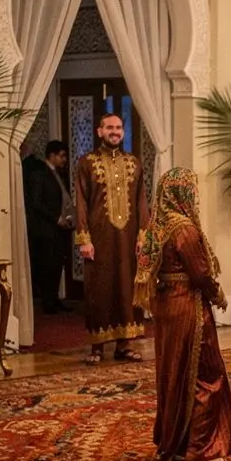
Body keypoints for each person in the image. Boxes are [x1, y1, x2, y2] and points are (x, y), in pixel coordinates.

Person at [134, 168, 231, 461]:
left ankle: (179, 445)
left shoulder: (157, 226)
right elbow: (201, 273)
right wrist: (217, 294)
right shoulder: (184, 229)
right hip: (189, 307)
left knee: (175, 374)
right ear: (183, 194)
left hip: (167, 305)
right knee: (206, 374)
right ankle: (201, 451)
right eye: (192, 190)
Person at [75, 112, 150, 365]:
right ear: (99, 131)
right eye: (109, 127)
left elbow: (142, 201)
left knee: (127, 287)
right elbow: (81, 203)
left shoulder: (134, 163)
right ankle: (97, 347)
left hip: (129, 240)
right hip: (99, 238)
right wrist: (84, 239)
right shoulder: (86, 162)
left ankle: (125, 345)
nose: (114, 131)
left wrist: (143, 235)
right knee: (99, 289)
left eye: (118, 127)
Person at [24, 141, 75, 314]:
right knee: (47, 265)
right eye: (61, 156)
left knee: (57, 264)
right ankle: (48, 302)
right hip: (46, 229)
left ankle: (53, 299)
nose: (64, 160)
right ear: (51, 155)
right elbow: (36, 203)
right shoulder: (39, 174)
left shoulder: (59, 174)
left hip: (59, 228)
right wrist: (56, 218)